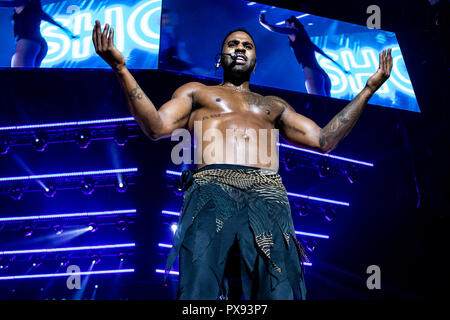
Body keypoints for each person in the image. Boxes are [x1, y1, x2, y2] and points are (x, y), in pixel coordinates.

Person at [92, 20, 392, 299]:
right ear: (220, 57)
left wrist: (369, 89)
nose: (239, 49)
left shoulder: (274, 105)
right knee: (200, 287)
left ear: (254, 61)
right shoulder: (197, 92)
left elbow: (324, 141)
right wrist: (120, 68)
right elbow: (156, 127)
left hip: (267, 194)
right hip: (211, 188)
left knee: (280, 287)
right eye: (233, 44)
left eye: (247, 46)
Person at [259, 13, 350, 97]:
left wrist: (264, 23)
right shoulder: (307, 41)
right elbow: (326, 56)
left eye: (287, 25)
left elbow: (276, 29)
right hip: (322, 73)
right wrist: (342, 68)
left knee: (318, 104)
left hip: (312, 73)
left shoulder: (293, 31)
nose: (286, 28)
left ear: (293, 25)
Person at [0, 0, 78, 67]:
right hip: (41, 45)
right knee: (33, 78)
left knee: (20, 77)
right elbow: (55, 22)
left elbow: (6, 3)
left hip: (27, 42)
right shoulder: (38, 10)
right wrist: (69, 33)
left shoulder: (22, 3)